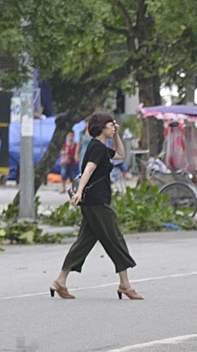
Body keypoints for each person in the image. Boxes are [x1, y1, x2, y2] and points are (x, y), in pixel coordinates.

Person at [50, 110, 142, 301]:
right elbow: (89, 169)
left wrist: (116, 135)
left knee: (84, 242)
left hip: (94, 200)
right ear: (101, 128)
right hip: (96, 201)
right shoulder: (97, 148)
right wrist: (79, 191)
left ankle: (61, 280)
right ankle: (125, 284)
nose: (113, 127)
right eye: (110, 125)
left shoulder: (99, 146)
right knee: (115, 239)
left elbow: (120, 155)